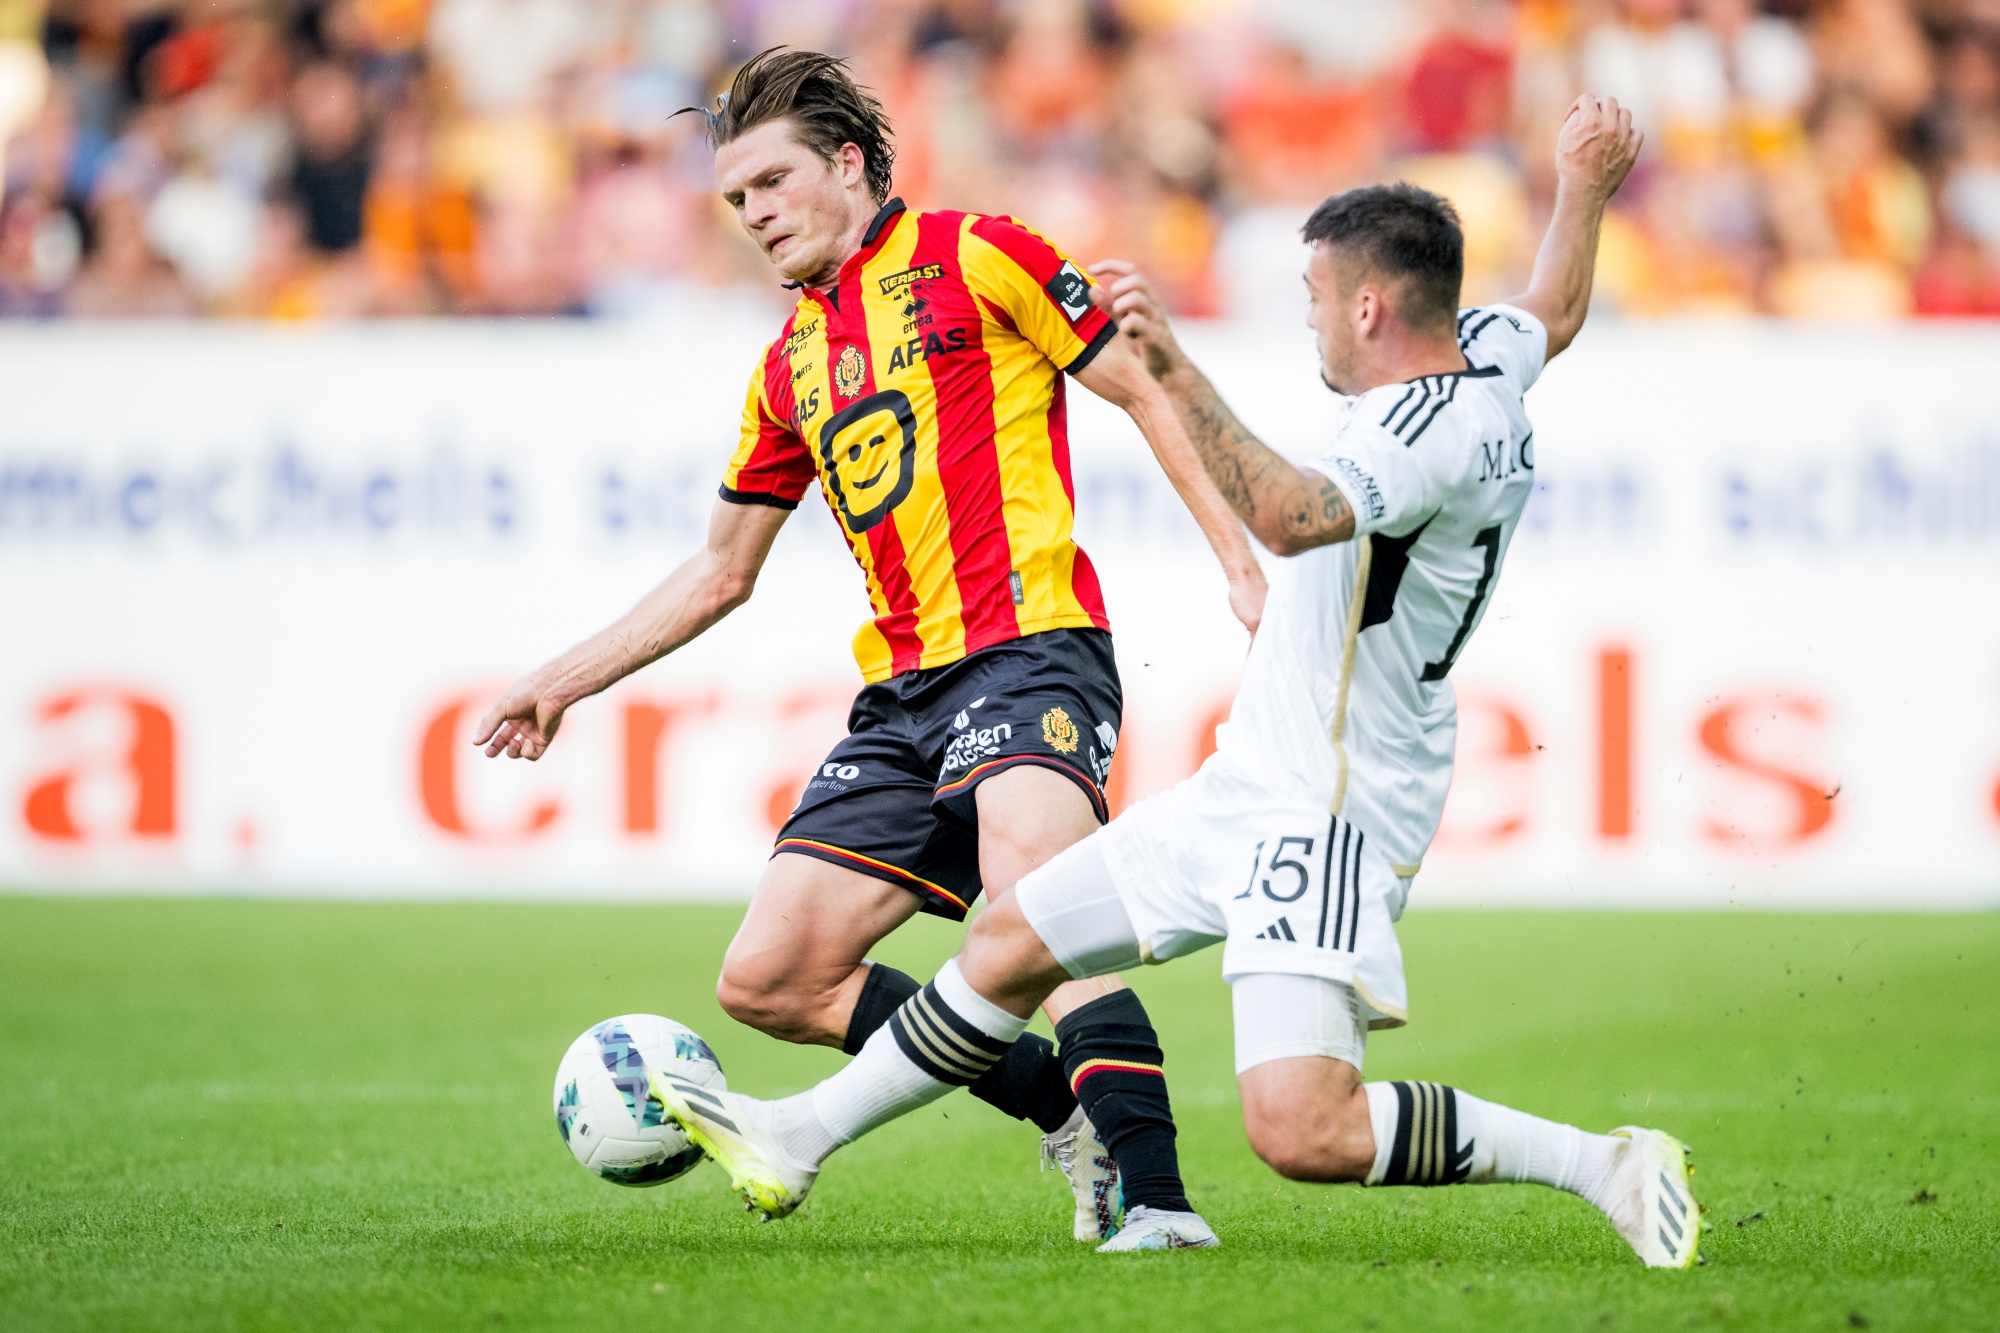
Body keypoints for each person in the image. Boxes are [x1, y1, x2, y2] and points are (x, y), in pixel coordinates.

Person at [649, 95, 1705, 1269]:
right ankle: (796, 1136)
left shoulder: (1417, 433)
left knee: (1303, 1128)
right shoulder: (1488, 366)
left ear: (1367, 306)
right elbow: (1549, 309)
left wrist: (1173, 363)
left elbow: (1293, 517)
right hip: (1250, 784)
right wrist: (1584, 186)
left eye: (1310, 300)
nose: (1305, 324)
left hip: (1328, 813)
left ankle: (1598, 1162)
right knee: (1006, 940)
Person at [472, 49, 1265, 1250]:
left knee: (1042, 909)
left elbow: (1144, 389)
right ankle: (1065, 1113)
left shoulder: (981, 252)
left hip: (1029, 649)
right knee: (771, 978)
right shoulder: (785, 366)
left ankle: (1159, 1205)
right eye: (735, 200)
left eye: (773, 182)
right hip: (901, 698)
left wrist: (1239, 563)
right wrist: (559, 681)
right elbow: (720, 572)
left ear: (847, 165)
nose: (754, 215)